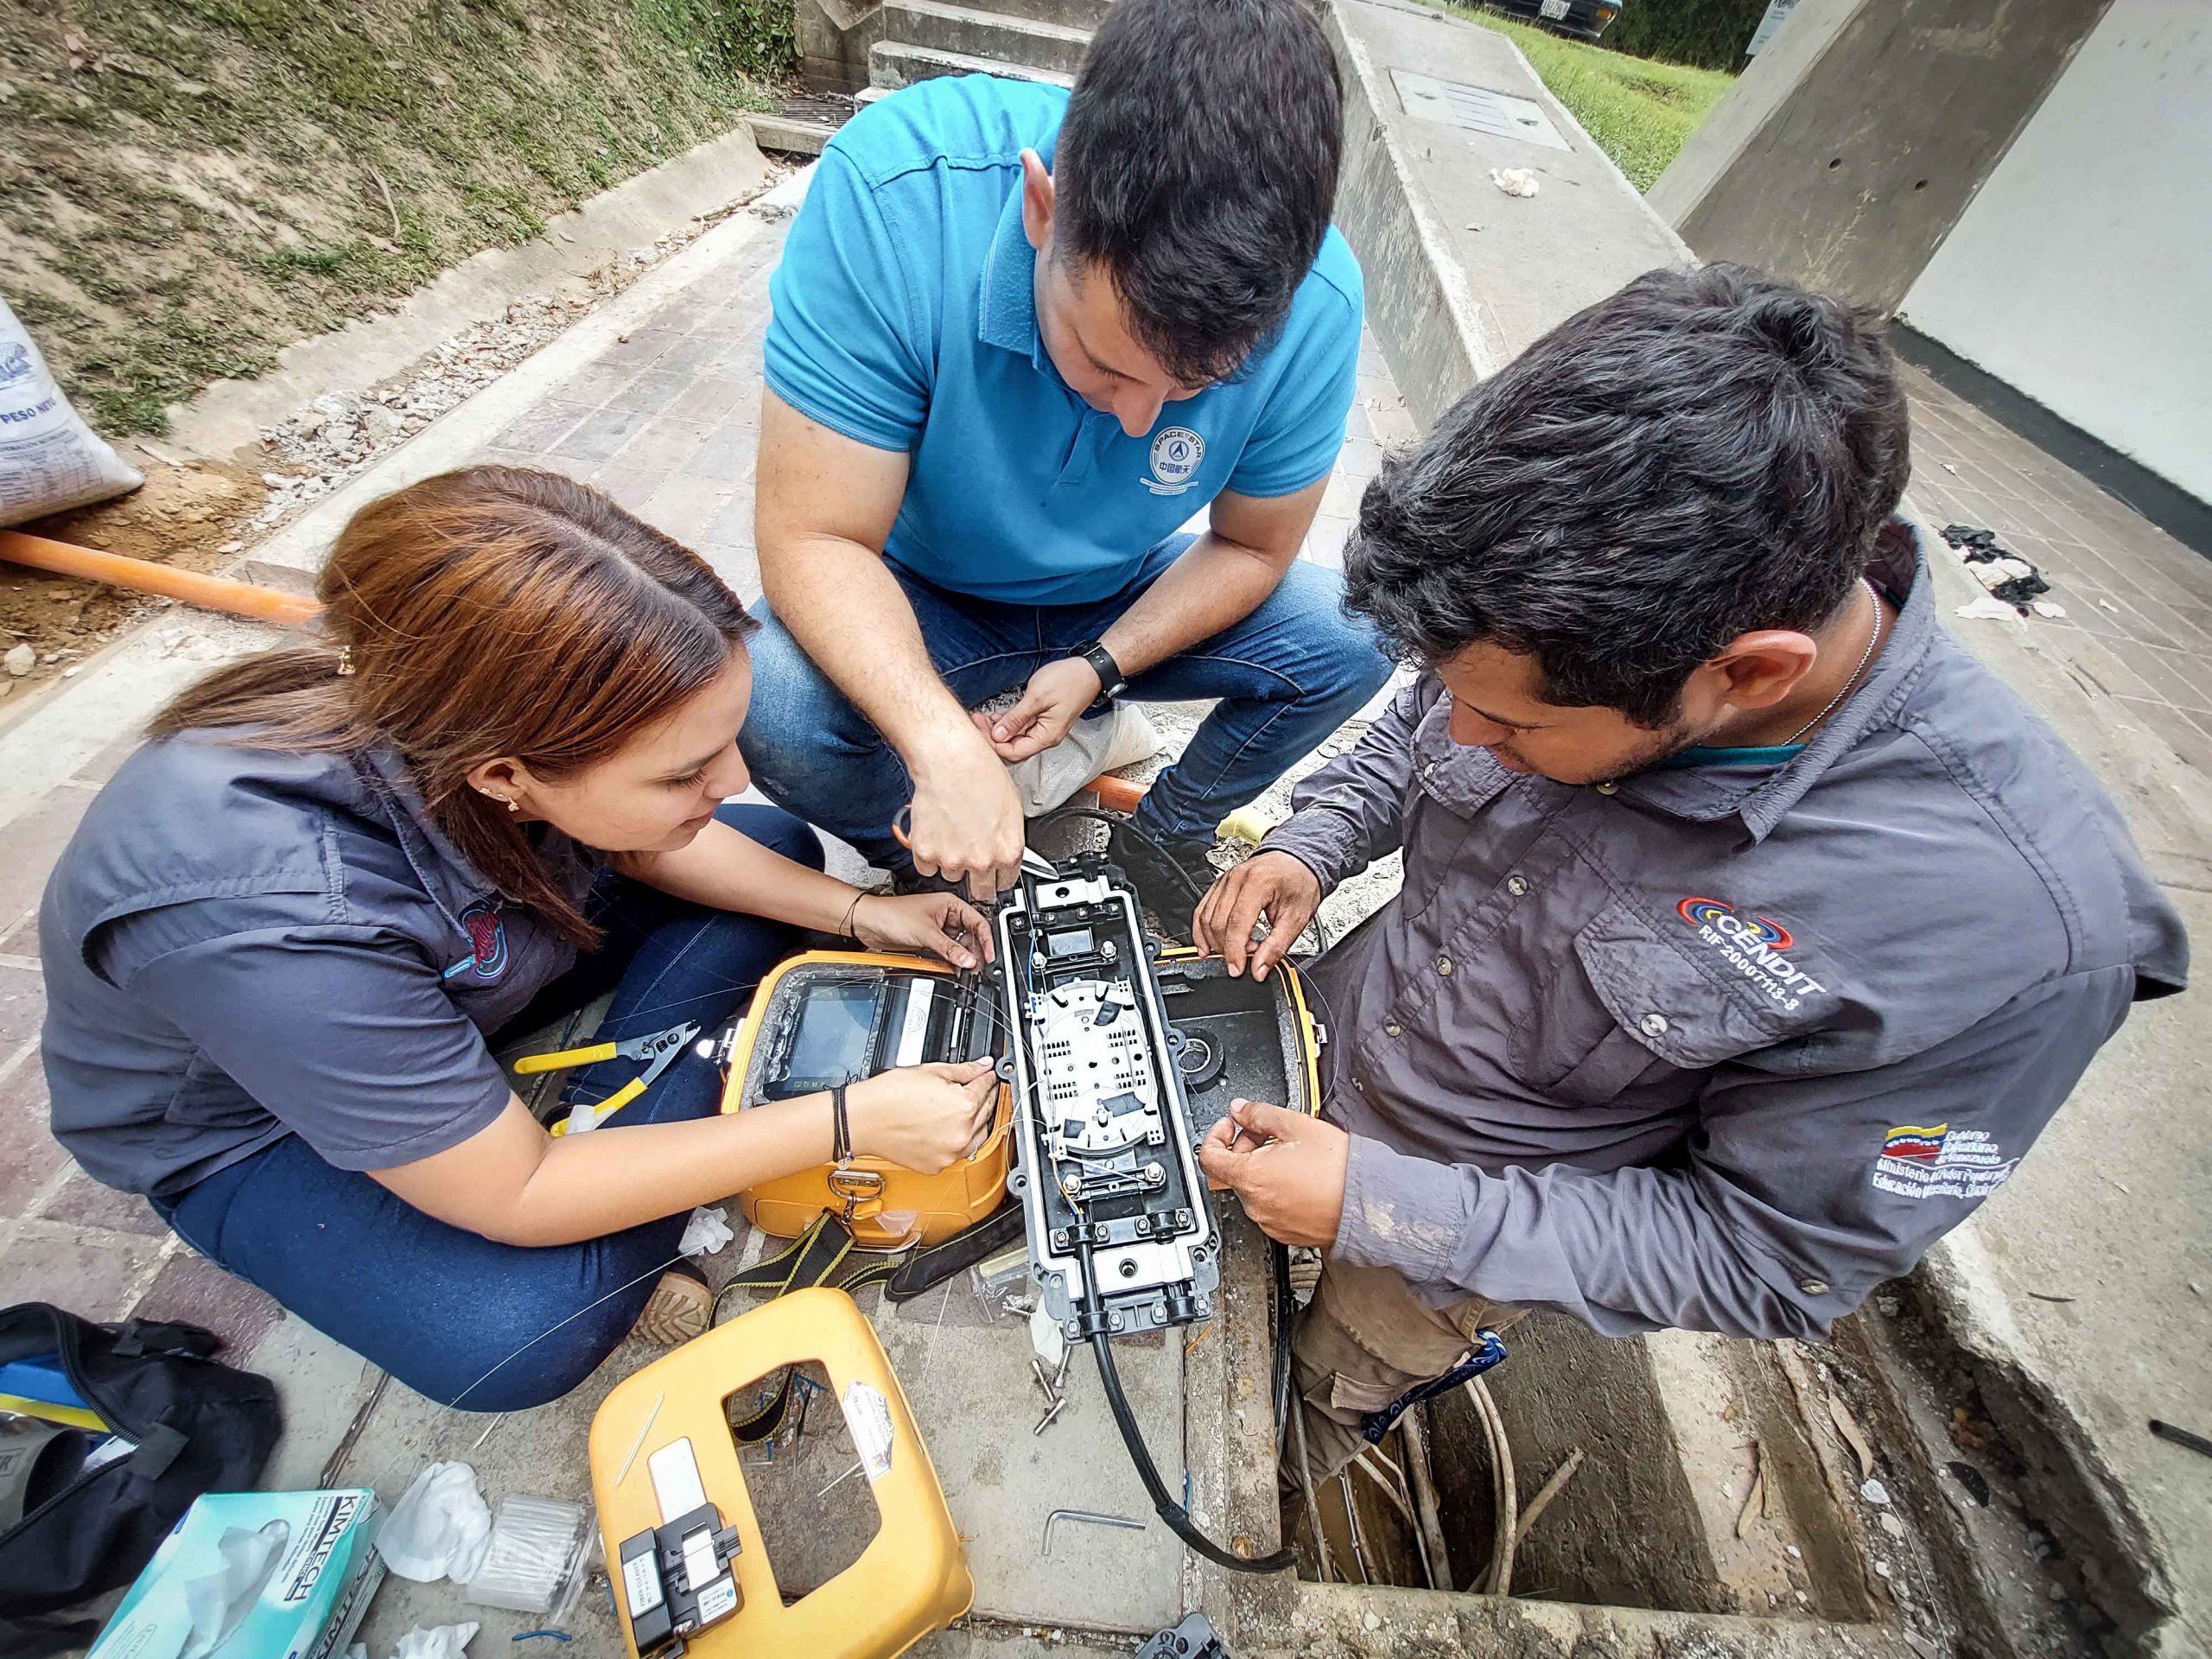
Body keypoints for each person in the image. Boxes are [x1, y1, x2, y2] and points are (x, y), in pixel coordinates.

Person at [1189, 266, 2190, 1495]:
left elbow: (1769, 1258)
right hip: (1311, 1036)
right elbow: (1427, 719)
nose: (1463, 735)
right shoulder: (1551, 625)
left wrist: (1388, 1211)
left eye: (1512, 730)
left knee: (1267, 1436)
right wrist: (1316, 836)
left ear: (1750, 676)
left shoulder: (2008, 932)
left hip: (1453, 1246)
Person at [39, 467, 1000, 1411]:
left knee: (777, 860)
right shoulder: (272, 921)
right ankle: (624, 1122)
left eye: (727, 739)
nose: (735, 778)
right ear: (503, 773)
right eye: (684, 772)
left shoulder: (450, 711)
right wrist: (845, 1120)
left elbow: (645, 845)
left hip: (452, 974)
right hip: (252, 1131)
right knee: (516, 1335)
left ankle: (617, 1121)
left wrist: (863, 915)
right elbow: (518, 1195)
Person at [739, 0, 1394, 935]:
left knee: (1356, 631)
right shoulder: (899, 193)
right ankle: (932, 857)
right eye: (1108, 364)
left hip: (1119, 593)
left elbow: (1252, 549)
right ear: (1041, 208)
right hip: (925, 592)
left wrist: (1099, 663)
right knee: (769, 698)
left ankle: (1163, 836)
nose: (1138, 420)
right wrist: (937, 747)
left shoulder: (1319, 301)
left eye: (1195, 386)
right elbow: (813, 536)